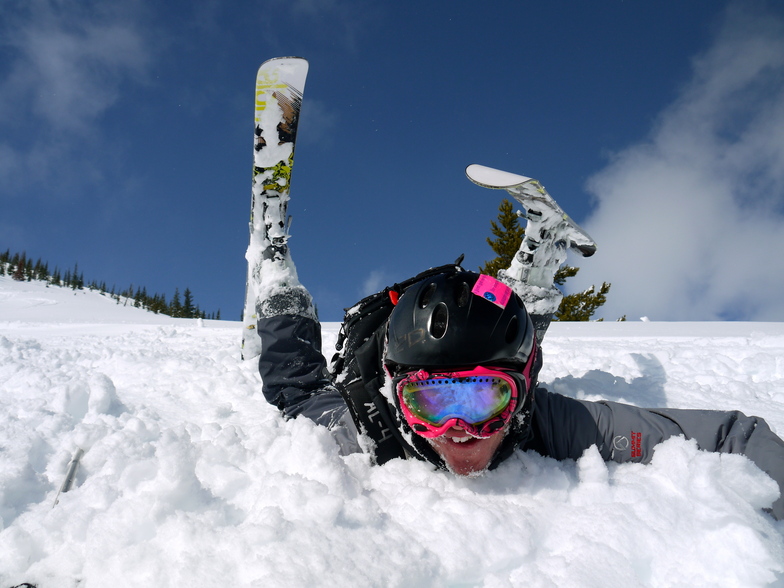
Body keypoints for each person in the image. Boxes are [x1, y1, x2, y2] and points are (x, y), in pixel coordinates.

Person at [253, 235, 784, 522]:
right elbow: (299, 397)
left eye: (486, 398)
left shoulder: (550, 419)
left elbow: (730, 437)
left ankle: (524, 298)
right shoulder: (366, 424)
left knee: (511, 345)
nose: (460, 430)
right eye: (431, 402)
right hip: (363, 366)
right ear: (400, 400)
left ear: (522, 398)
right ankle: (279, 282)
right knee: (298, 391)